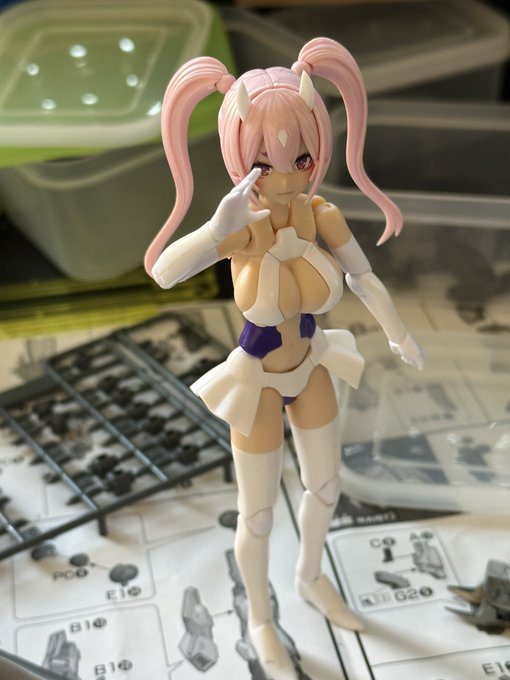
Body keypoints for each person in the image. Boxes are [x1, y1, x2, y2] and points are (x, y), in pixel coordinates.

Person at [145, 37, 425, 680]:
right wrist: (215, 229)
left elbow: (362, 277)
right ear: (238, 158)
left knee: (326, 488)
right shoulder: (240, 222)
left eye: (301, 156)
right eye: (265, 162)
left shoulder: (319, 212)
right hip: (258, 379)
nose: (289, 175)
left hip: (312, 362)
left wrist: (398, 334)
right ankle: (260, 619)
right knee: (259, 514)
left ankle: (310, 577)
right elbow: (163, 272)